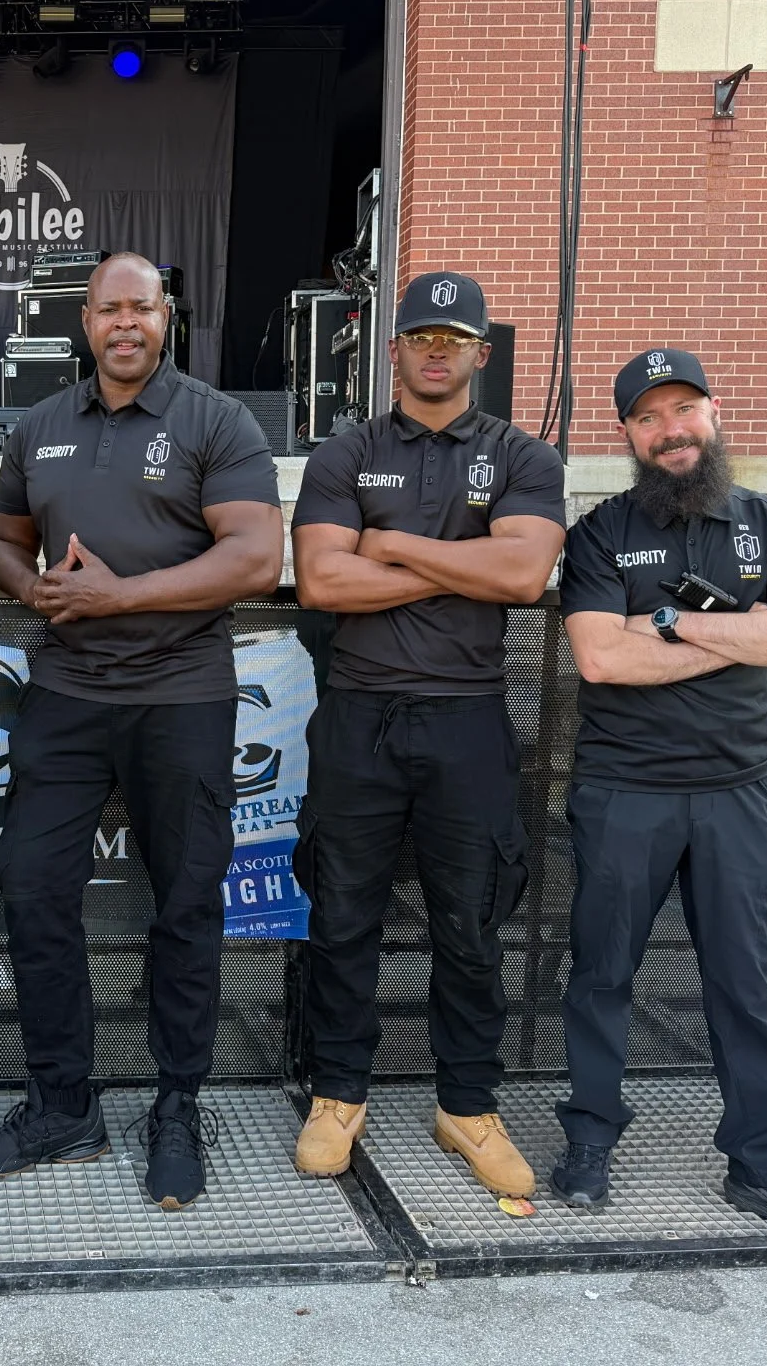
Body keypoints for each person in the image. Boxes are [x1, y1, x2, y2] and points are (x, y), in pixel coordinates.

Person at [0, 252, 284, 1210]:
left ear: (167, 315)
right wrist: (40, 594)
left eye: (142, 307)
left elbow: (258, 557)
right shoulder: (42, 425)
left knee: (186, 904)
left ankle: (177, 1106)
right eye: (109, 310)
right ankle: (64, 1104)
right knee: (30, 885)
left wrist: (118, 596)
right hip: (66, 691)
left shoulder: (214, 420)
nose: (126, 324)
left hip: (181, 695)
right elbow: (1, 541)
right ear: (86, 321)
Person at [551, 347, 767, 1244]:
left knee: (745, 980)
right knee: (602, 971)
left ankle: (765, 1161)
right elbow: (603, 658)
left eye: (683, 410)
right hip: (625, 792)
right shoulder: (602, 533)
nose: (670, 429)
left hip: (740, 792)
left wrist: (678, 621)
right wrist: (745, 632)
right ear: (628, 436)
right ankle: (590, 1141)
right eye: (648, 417)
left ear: (713, 415)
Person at [288, 272, 565, 1194]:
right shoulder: (344, 452)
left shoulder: (524, 457)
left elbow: (525, 576)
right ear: (394, 349)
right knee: (342, 912)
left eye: (455, 336)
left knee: (473, 918)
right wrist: (467, 565)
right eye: (420, 335)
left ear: (482, 353)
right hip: (359, 713)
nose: (437, 349)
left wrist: (392, 543)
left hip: (467, 716)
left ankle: (467, 1106)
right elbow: (324, 585)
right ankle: (339, 1094)